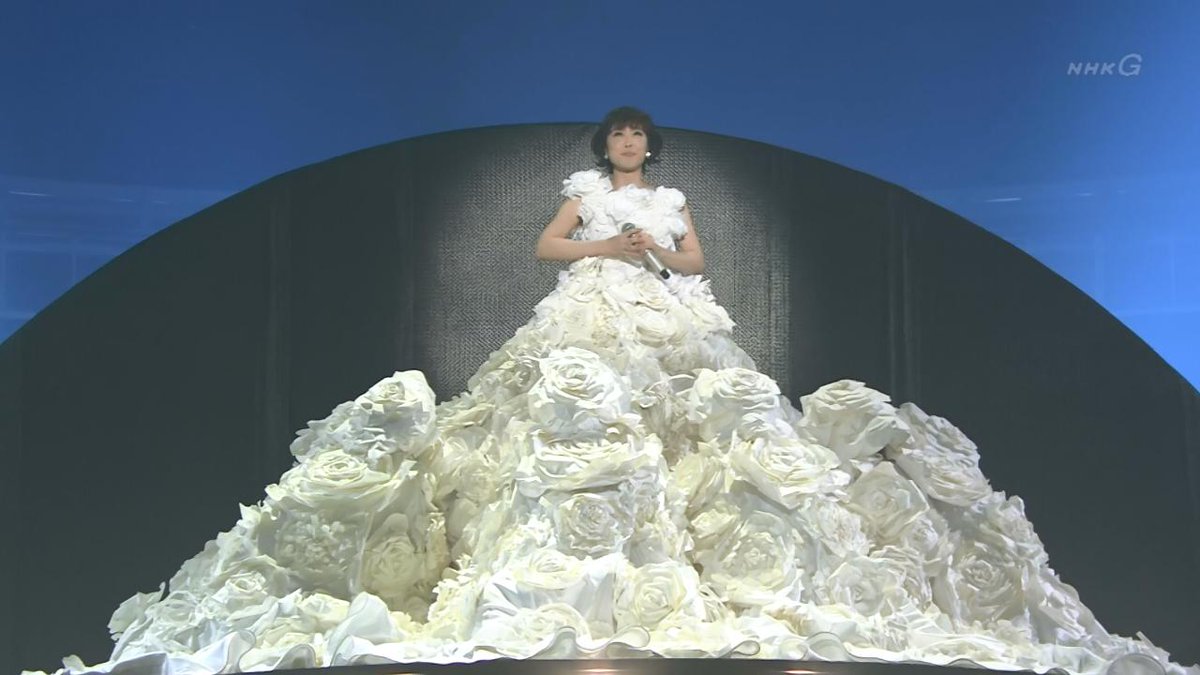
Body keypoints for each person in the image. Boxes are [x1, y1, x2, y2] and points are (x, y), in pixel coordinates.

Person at [36, 107, 1194, 675]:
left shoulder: (673, 201)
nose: (633, 149)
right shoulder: (583, 191)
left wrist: (657, 255)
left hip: (658, 304)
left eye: (642, 140)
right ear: (608, 148)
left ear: (654, 151)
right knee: (560, 412)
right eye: (624, 139)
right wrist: (605, 245)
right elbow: (547, 249)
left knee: (695, 419)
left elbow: (695, 263)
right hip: (592, 298)